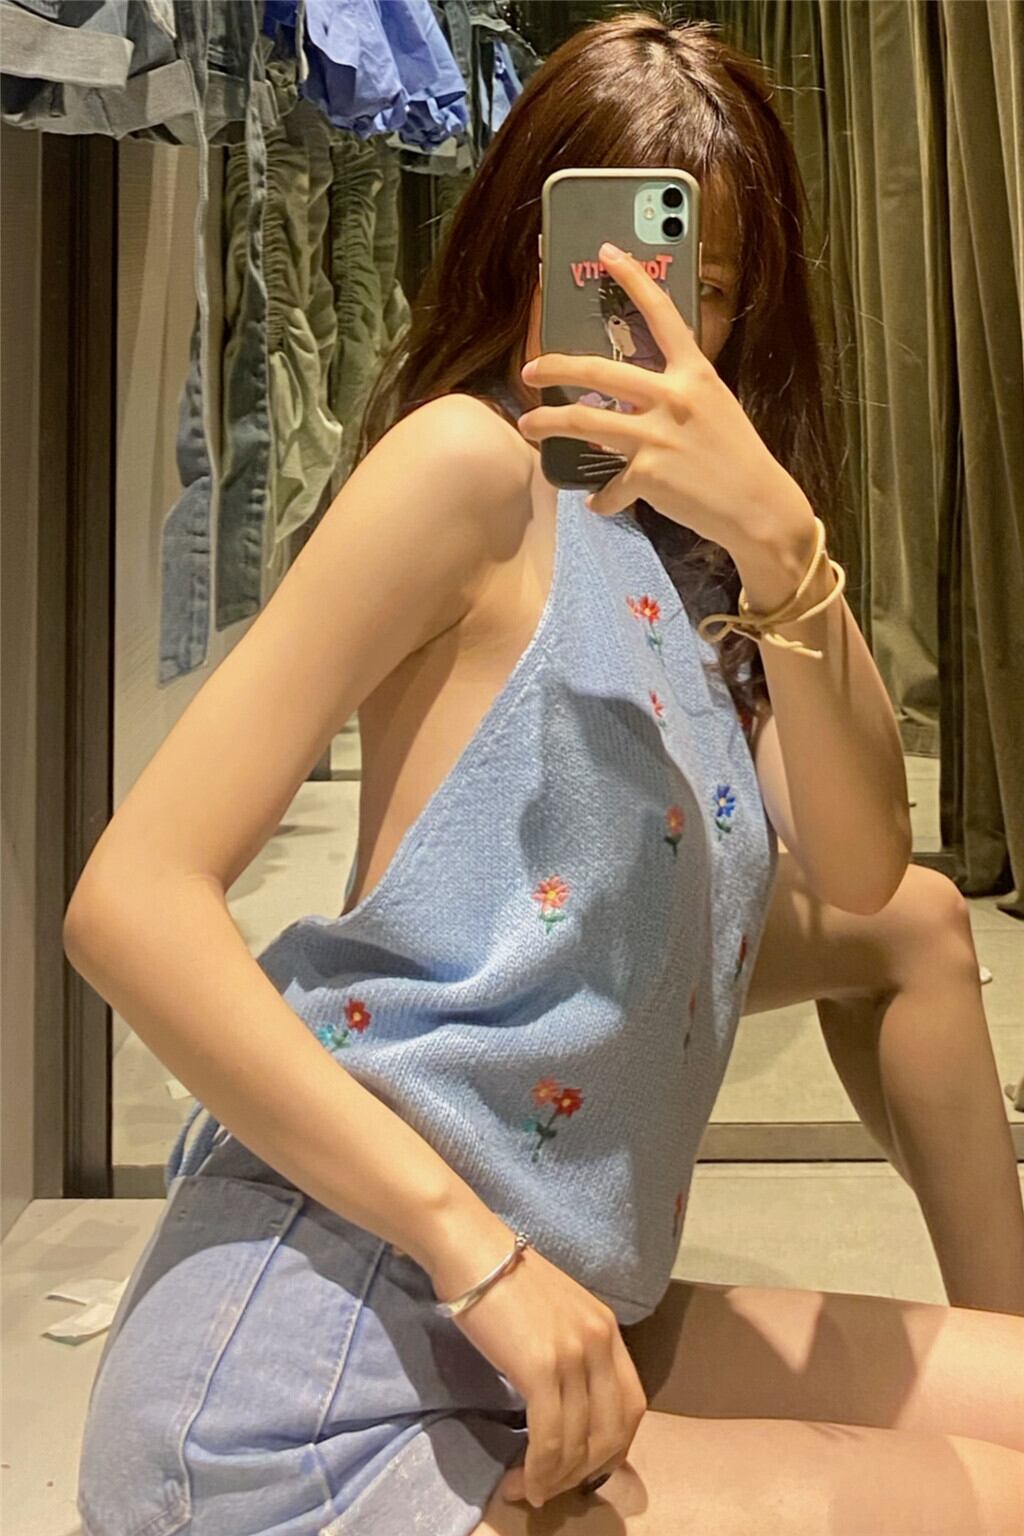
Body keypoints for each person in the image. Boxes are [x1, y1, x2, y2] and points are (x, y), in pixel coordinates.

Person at [65, 11, 1024, 1535]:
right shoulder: (468, 473)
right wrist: (478, 1251)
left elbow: (862, 871)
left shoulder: (712, 572)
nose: (651, 324)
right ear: (528, 253)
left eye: (703, 288)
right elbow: (128, 900)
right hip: (331, 1357)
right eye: (606, 269)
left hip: (558, 1323)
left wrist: (788, 551)